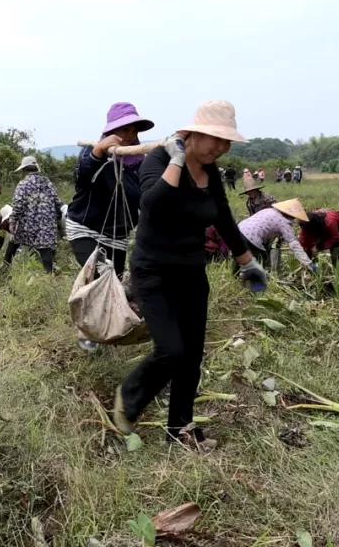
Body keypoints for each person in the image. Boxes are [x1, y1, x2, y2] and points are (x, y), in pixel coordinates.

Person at [112, 100, 268, 451]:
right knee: (171, 350)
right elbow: (152, 204)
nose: (221, 147)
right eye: (214, 138)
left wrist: (247, 262)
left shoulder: (211, 174)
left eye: (226, 142)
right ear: (193, 133)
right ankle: (129, 397)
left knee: (192, 356)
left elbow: (224, 220)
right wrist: (177, 159)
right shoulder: (159, 161)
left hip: (192, 275)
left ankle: (179, 431)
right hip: (153, 273)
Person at [66, 102, 151, 275]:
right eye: (124, 130)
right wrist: (98, 151)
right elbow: (82, 179)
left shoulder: (139, 163)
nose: (129, 135)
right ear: (111, 131)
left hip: (117, 236)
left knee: (116, 284)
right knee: (101, 277)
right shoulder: (92, 153)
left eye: (134, 131)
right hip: (86, 229)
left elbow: (145, 199)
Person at [6, 156, 62, 273]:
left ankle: (5, 267)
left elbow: (18, 205)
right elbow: (58, 203)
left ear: (24, 170)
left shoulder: (23, 184)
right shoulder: (48, 183)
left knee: (14, 241)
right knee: (45, 249)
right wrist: (56, 219)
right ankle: (49, 275)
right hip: (47, 225)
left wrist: (13, 220)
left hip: (28, 225)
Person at [238, 199, 314, 270]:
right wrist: (309, 264)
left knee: (239, 260)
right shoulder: (283, 222)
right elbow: (295, 245)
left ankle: (235, 277)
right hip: (251, 238)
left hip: (238, 231)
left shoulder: (268, 210)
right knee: (261, 264)